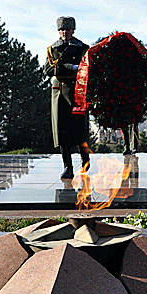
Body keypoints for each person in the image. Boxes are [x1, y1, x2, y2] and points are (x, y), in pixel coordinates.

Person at [43, 16, 90, 178]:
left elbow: (86, 69)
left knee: (80, 129)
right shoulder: (52, 49)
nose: (65, 32)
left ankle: (85, 160)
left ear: (73, 30)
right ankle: (67, 166)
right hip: (59, 93)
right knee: (62, 131)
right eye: (62, 30)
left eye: (68, 29)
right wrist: (71, 67)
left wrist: (63, 69)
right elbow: (48, 70)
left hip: (77, 91)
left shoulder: (82, 48)